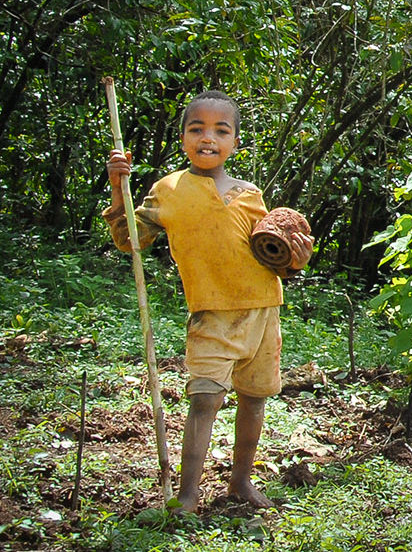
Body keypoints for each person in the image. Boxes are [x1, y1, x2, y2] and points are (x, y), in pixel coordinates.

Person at [105, 90, 281, 512]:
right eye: (196, 128)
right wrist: (117, 188)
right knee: (205, 400)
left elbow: (270, 248)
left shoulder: (249, 192)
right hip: (211, 313)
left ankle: (240, 481)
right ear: (183, 137)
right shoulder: (168, 190)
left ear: (235, 142)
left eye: (221, 130)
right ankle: (186, 497)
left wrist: (291, 255)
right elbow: (132, 239)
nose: (208, 137)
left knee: (254, 397)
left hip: (263, 308)